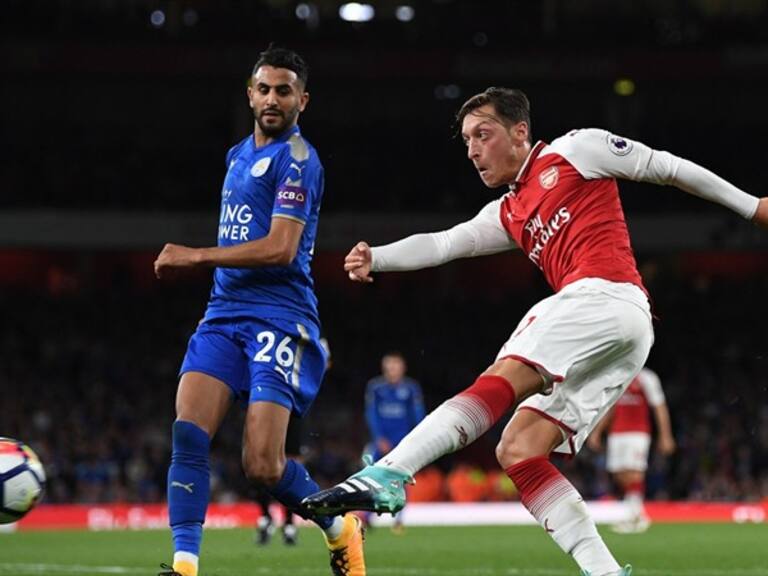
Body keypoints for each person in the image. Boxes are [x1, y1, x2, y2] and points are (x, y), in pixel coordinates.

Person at [303, 87, 768, 576]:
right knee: (519, 448)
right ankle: (605, 571)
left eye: (483, 135)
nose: (473, 150)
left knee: (504, 374)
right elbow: (443, 244)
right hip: (625, 331)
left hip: (603, 295)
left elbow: (665, 166)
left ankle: (392, 471)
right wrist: (378, 256)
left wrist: (751, 206)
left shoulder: (575, 150)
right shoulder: (507, 212)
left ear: (520, 132)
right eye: (465, 141)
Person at [153, 46, 365, 576]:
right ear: (250, 93)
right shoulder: (236, 155)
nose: (273, 99)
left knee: (263, 466)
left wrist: (196, 255)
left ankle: (340, 526)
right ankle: (183, 566)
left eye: (284, 90)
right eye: (264, 89)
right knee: (187, 433)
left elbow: (280, 248)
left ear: (303, 100)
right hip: (223, 314)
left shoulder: (300, 160)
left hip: (278, 316)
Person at [587, 367, 676, 533]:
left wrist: (665, 435)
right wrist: (597, 432)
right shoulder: (618, 375)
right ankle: (634, 512)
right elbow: (611, 408)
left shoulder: (647, 378)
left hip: (638, 432)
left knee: (634, 471)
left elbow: (659, 406)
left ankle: (636, 516)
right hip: (617, 433)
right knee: (620, 474)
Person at [363, 352, 425, 532]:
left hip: (403, 442)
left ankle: (398, 519)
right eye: (389, 366)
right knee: (372, 477)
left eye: (395, 366)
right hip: (381, 440)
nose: (392, 370)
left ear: (402, 368)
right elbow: (371, 414)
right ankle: (367, 516)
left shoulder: (411, 388)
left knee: (402, 480)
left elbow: (418, 415)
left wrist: (414, 439)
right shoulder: (375, 388)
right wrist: (378, 437)